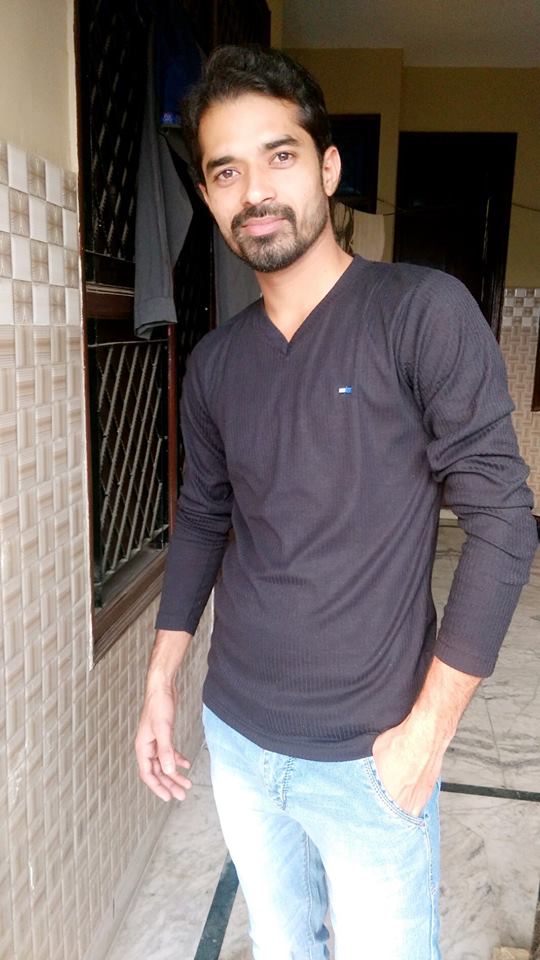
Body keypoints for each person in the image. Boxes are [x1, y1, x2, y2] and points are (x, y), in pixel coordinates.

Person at [135, 46, 537, 960]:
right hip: (239, 740)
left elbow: (503, 521)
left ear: (327, 167)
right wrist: (163, 677)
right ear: (207, 198)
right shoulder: (217, 364)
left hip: (371, 752)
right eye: (226, 171)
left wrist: (426, 734)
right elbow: (202, 516)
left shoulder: (419, 313)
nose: (255, 191)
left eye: (279, 156)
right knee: (286, 947)